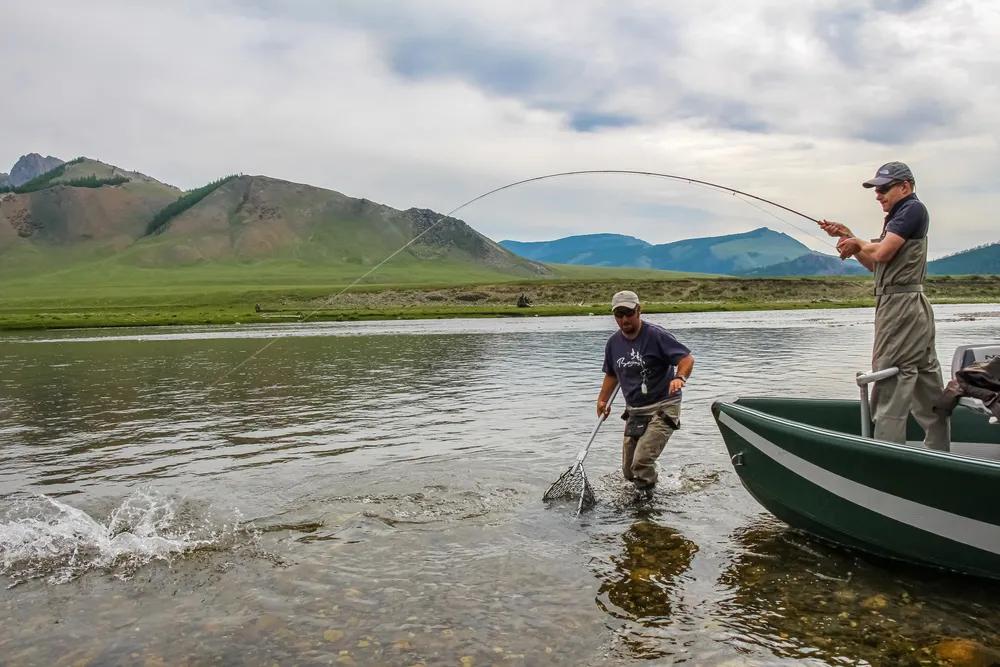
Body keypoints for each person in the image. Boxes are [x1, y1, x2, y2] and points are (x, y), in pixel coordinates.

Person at [818, 161, 950, 450]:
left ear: (905, 186)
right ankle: (941, 454)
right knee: (926, 382)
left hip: (900, 308)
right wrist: (847, 237)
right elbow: (875, 261)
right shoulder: (898, 216)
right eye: (876, 190)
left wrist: (857, 241)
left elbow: (883, 250)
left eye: (884, 188)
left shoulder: (911, 210)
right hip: (911, 307)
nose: (878, 195)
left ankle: (886, 460)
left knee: (890, 381)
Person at [596, 290, 695, 495]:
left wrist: (679, 377)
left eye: (629, 313)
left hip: (664, 405)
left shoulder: (656, 335)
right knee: (628, 471)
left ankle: (646, 506)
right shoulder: (613, 343)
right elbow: (612, 374)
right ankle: (652, 484)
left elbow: (686, 359)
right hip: (635, 409)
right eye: (619, 315)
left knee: (641, 462)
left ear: (639, 310)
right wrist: (602, 400)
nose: (624, 319)